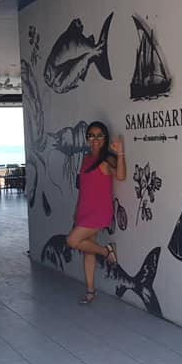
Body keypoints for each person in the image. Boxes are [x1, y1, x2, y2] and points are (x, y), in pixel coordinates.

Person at [65, 121, 126, 305]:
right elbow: (83, 188)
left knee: (72, 241)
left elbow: (121, 176)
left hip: (99, 211)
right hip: (85, 210)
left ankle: (106, 251)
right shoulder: (86, 159)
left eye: (99, 135)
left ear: (105, 138)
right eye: (91, 135)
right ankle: (90, 292)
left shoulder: (108, 159)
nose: (95, 139)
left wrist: (120, 152)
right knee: (87, 251)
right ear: (87, 138)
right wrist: (77, 209)